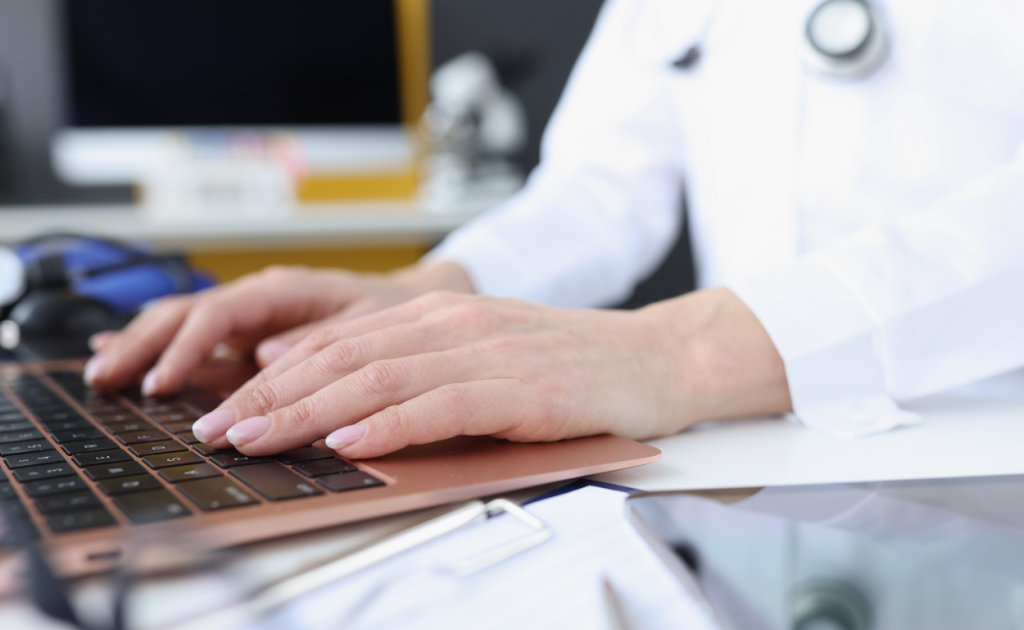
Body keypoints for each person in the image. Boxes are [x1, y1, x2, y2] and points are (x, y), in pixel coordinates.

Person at [85, 0, 1024, 460]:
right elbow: (600, 185)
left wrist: (681, 356)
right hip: (758, 457)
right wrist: (432, 290)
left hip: (992, 447)